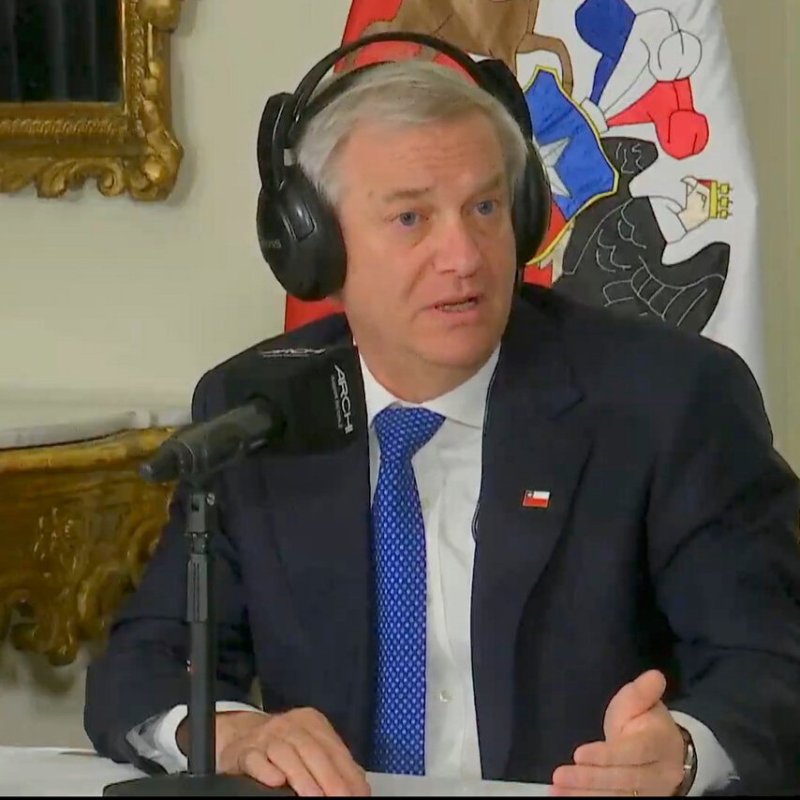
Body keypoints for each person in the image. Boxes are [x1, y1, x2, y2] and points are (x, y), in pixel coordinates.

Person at [84, 35, 800, 798]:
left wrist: (685, 752)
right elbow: (143, 663)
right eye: (411, 218)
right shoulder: (257, 413)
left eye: (485, 207)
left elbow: (772, 663)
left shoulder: (668, 401)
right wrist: (232, 731)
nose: (463, 256)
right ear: (312, 246)